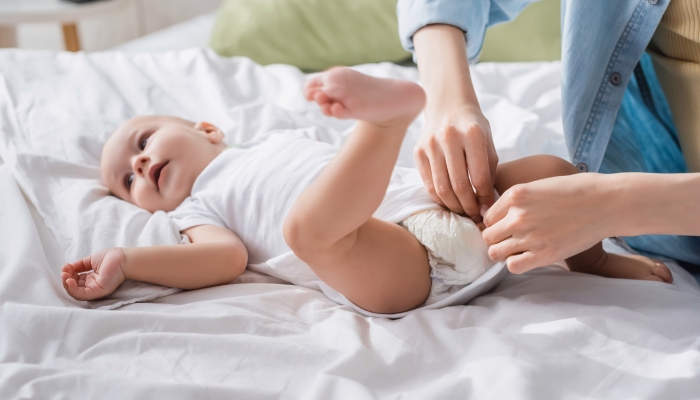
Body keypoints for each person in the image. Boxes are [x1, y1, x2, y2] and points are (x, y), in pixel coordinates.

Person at [60, 67, 671, 315]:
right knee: (308, 230)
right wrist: (129, 261)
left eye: (143, 142)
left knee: (551, 168)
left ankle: (596, 259)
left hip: (445, 206)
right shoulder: (196, 208)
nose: (140, 165)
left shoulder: (273, 138)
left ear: (206, 128)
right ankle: (384, 122)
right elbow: (223, 258)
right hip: (395, 267)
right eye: (127, 181)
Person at [397, 0, 700, 277]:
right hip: (656, 179)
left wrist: (613, 206)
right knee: (545, 174)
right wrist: (449, 100)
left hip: (656, 210)